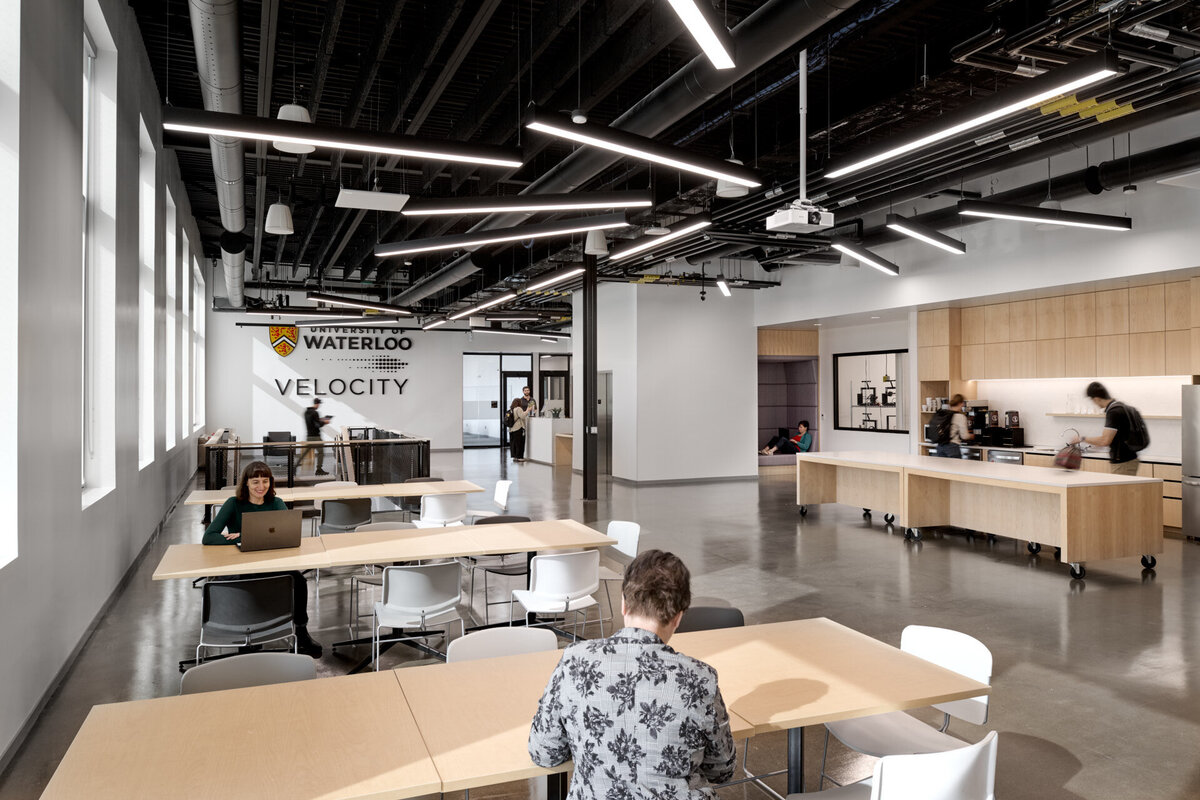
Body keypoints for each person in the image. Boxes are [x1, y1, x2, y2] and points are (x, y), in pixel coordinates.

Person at [529, 550, 736, 800]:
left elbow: (544, 751)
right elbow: (722, 769)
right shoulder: (699, 679)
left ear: (624, 605)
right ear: (678, 617)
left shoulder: (575, 661)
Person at [203, 461, 323, 658]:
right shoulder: (233, 504)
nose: (261, 486)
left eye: (265, 481)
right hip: (242, 565)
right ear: (246, 484)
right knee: (250, 585)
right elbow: (209, 537)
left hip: (271, 563)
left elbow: (289, 534)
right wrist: (243, 538)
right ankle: (248, 634)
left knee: (299, 581)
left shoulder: (276, 503)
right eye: (255, 481)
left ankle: (301, 632)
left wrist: (242, 535)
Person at [1071, 382, 1143, 476]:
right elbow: (1112, 438)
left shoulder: (1114, 412)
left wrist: (1082, 439)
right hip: (1128, 459)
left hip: (1123, 462)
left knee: (1120, 491)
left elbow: (1104, 440)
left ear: (1096, 399)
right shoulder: (1120, 406)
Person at [301, 398, 332, 476]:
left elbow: (312, 422)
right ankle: (319, 469)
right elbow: (317, 425)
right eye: (319, 404)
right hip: (316, 437)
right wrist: (325, 422)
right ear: (317, 404)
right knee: (321, 452)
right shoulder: (315, 412)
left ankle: (295, 466)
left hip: (309, 436)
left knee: (305, 453)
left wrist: (319, 420)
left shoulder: (306, 412)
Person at [508, 386, 537, 462]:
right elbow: (523, 416)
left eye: (528, 390)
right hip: (519, 428)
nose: (527, 391)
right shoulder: (518, 408)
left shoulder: (512, 409)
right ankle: (520, 457)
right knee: (520, 443)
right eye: (525, 390)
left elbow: (535, 409)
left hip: (512, 428)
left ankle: (515, 456)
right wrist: (528, 410)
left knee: (514, 443)